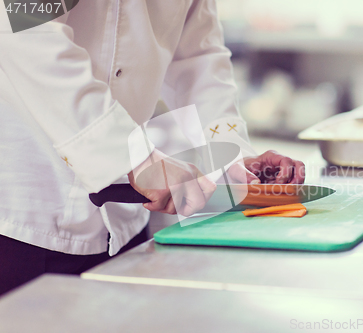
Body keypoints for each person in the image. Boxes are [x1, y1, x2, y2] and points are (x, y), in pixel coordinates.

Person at [0, 0, 305, 295]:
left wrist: (232, 156)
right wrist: (136, 158)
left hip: (126, 228)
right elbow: (27, 32)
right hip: (23, 218)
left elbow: (198, 57)